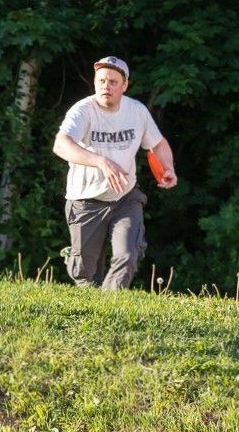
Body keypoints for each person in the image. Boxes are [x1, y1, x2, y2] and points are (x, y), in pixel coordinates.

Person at [53, 56, 176, 290]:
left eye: (112, 82)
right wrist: (100, 161)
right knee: (85, 276)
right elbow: (60, 145)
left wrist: (167, 167)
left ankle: (111, 303)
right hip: (85, 201)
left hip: (125, 197)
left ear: (125, 85)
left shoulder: (136, 111)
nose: (105, 86)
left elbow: (157, 144)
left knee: (127, 256)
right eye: (101, 81)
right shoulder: (83, 110)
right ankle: (94, 310)